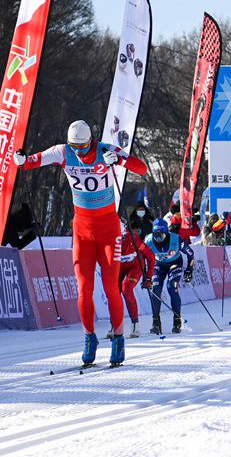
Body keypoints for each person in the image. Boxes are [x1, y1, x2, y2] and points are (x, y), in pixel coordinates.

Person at [14, 120, 148, 366]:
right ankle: (89, 338)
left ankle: (118, 338)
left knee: (110, 287)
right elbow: (31, 161)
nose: (80, 151)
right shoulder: (63, 152)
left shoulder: (106, 149)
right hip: (83, 231)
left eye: (84, 146)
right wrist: (21, 161)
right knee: (84, 290)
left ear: (92, 141)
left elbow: (142, 169)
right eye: (75, 146)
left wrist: (119, 160)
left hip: (109, 231)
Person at [145, 218, 195, 334]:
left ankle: (177, 320)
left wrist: (189, 270)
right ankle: (156, 322)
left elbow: (190, 253)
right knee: (155, 289)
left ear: (166, 233)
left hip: (174, 263)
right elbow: (141, 257)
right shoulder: (148, 240)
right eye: (156, 235)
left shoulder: (176, 239)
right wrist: (146, 275)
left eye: (161, 236)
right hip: (158, 264)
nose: (158, 239)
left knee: (171, 287)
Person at [113, 221, 154, 339]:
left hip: (135, 266)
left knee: (126, 289)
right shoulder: (109, 241)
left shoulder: (134, 239)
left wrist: (148, 277)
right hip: (119, 266)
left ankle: (135, 325)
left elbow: (150, 257)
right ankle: (114, 325)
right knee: (114, 292)